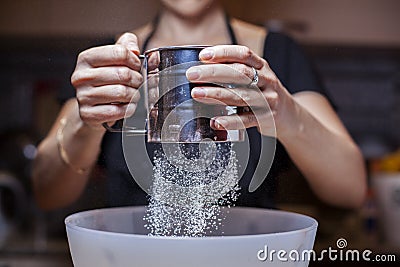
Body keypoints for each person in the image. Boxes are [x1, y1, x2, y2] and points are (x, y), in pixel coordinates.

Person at [32, 0, 367, 210]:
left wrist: (285, 113)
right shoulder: (110, 63)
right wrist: (86, 121)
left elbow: (350, 189)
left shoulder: (277, 53)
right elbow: (46, 193)